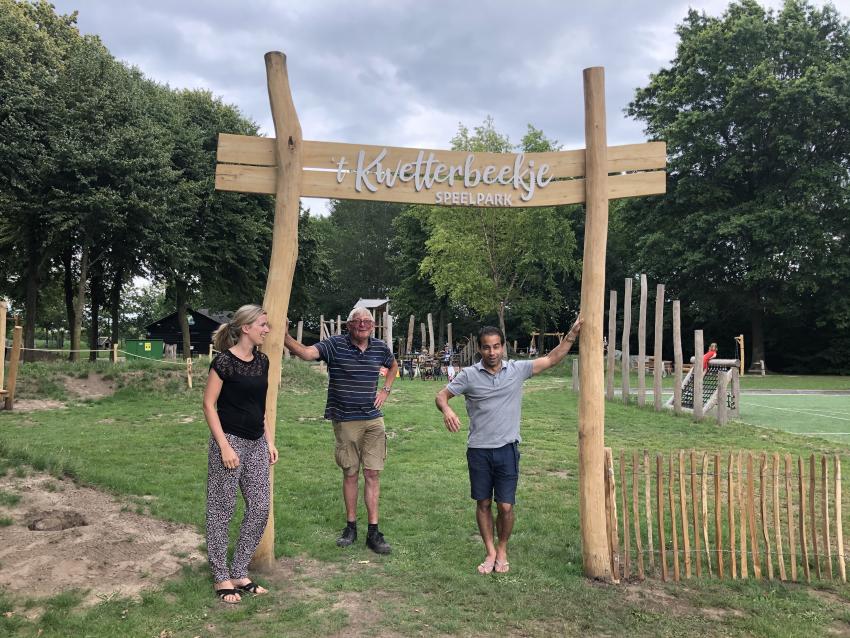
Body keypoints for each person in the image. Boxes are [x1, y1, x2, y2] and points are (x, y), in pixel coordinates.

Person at [435, 317, 582, 575]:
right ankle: (490, 551)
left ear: (503, 347)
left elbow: (551, 359)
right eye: (486, 347)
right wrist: (447, 409)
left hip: (507, 450)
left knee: (505, 506)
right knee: (483, 503)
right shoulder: (469, 375)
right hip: (479, 450)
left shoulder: (517, 370)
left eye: (496, 346)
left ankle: (502, 548)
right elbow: (441, 395)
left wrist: (571, 335)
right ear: (480, 349)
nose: (492, 352)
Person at [285, 307, 399, 554]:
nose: (362, 325)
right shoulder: (334, 345)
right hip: (345, 420)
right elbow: (306, 353)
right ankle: (350, 527)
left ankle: (373, 531)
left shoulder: (379, 347)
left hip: (373, 420)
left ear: (373, 325)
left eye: (367, 321)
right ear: (348, 325)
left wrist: (385, 390)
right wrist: (285, 336)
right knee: (350, 472)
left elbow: (393, 366)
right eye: (357, 321)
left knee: (372, 474)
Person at [202, 304, 278, 604]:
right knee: (222, 509)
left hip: (257, 441)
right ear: (246, 328)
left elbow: (261, 407)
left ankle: (238, 570)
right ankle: (221, 575)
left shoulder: (263, 362)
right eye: (262, 324)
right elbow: (209, 405)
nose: (267, 329)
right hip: (230, 442)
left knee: (260, 508)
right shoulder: (223, 363)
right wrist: (223, 446)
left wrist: (269, 441)